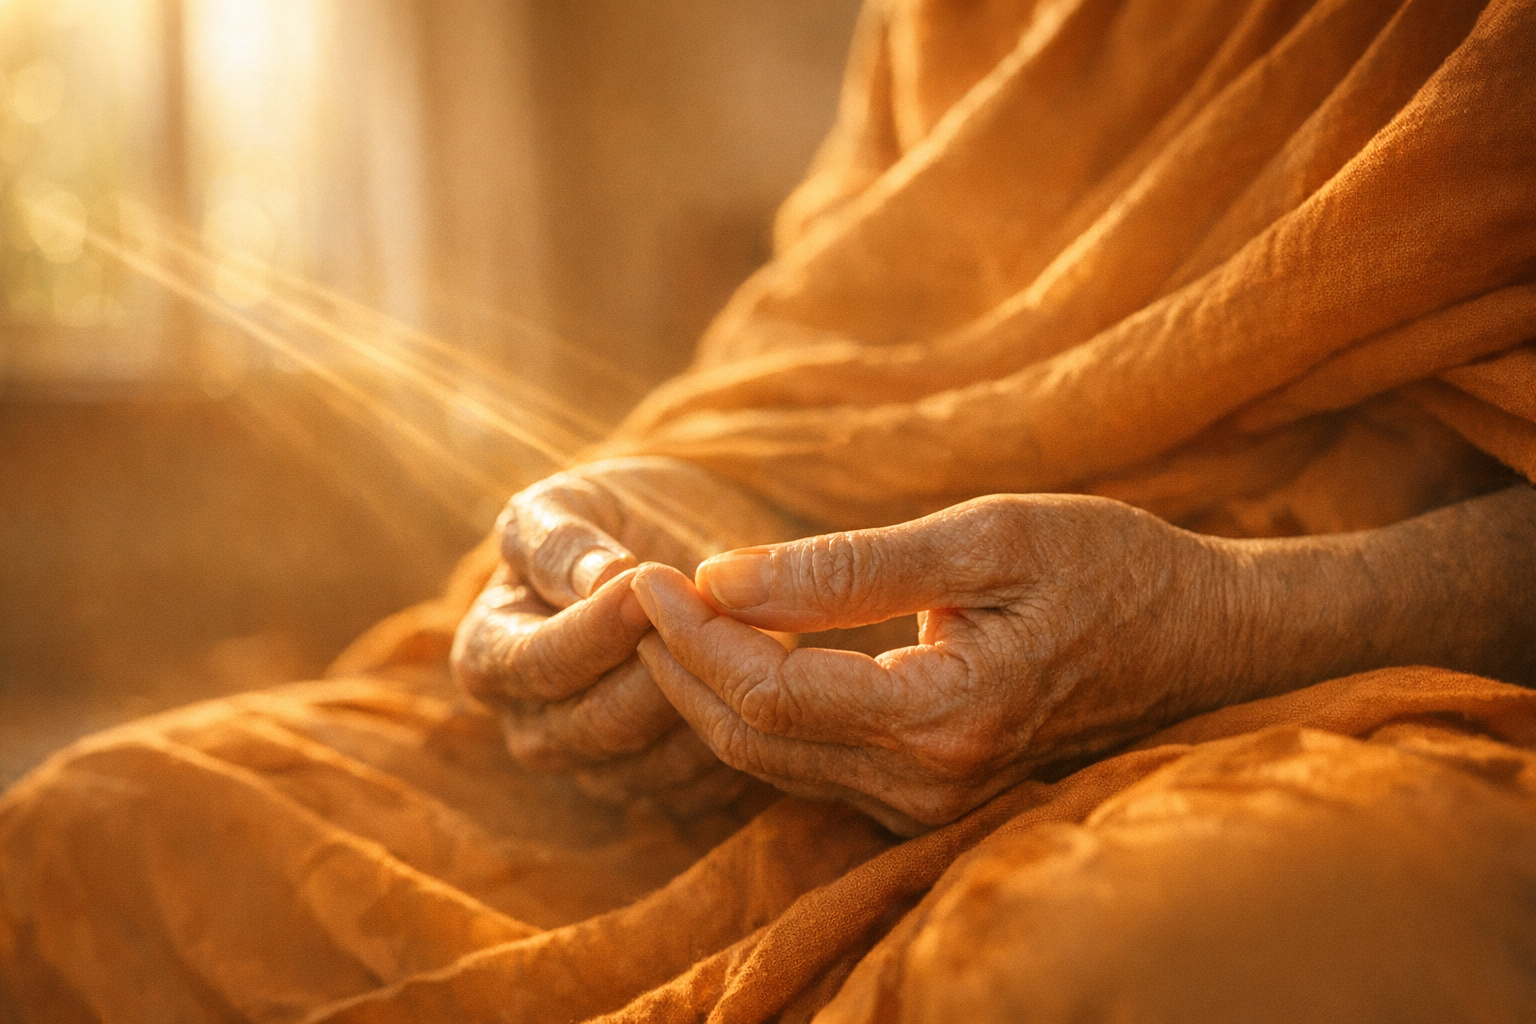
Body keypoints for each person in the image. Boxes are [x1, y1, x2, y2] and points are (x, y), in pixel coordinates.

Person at [4, 0, 1535, 1020]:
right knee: (101, 831)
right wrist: (664, 504)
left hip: (1376, 688)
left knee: (1182, 958)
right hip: (873, 683)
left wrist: (1244, 618)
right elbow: (839, 359)